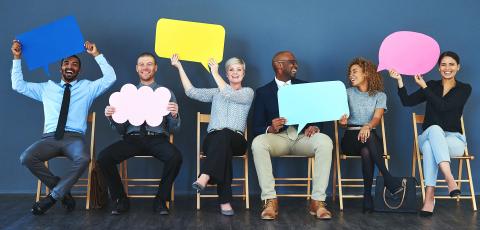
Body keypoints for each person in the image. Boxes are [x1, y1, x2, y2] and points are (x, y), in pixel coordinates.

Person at [11, 40, 116, 215]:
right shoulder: (46, 88)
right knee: (26, 157)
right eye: (66, 63)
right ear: (60, 68)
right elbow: (18, 85)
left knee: (84, 158)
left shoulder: (88, 88)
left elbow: (111, 78)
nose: (70, 66)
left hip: (74, 139)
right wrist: (17, 57)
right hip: (49, 138)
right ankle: (62, 190)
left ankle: (52, 197)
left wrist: (96, 54)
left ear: (79, 70)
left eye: (74, 64)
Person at [251, 51, 333, 220]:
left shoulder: (306, 87)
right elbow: (256, 127)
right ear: (279, 65)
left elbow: (320, 118)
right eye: (292, 62)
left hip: (304, 138)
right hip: (277, 138)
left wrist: (316, 126)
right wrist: (271, 128)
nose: (296, 65)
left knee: (325, 141)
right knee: (258, 142)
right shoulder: (263, 92)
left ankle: (317, 201)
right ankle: (270, 200)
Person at [97, 52, 182, 215]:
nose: (145, 67)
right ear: (137, 68)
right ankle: (120, 199)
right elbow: (121, 130)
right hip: (132, 139)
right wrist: (113, 117)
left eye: (149, 64)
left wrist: (175, 115)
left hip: (157, 138)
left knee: (175, 157)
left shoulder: (166, 93)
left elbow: (174, 129)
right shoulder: (127, 93)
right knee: (104, 158)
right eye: (141, 64)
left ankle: (160, 200)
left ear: (155, 68)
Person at [388, 51, 471, 217]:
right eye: (443, 64)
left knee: (428, 147)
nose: (447, 68)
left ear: (458, 67)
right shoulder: (432, 85)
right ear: (438, 67)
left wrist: (424, 87)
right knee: (434, 129)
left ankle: (429, 197)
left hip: (454, 141)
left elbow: (444, 107)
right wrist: (399, 81)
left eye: (451, 64)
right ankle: (449, 178)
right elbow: (407, 102)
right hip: (429, 134)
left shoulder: (464, 89)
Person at [171, 54, 254, 216]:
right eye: (231, 70)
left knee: (225, 136)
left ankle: (205, 175)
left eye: (239, 70)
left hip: (237, 140)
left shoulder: (247, 92)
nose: (235, 72)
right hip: (214, 141)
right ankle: (225, 201)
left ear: (243, 73)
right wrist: (179, 67)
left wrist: (214, 73)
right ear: (227, 73)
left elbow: (229, 94)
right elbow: (191, 92)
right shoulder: (216, 92)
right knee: (222, 143)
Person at [339, 57, 403, 213]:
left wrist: (367, 126)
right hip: (350, 138)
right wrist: (342, 121)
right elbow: (340, 122)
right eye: (350, 73)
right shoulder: (346, 93)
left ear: (366, 73)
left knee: (367, 150)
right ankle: (388, 178)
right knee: (369, 143)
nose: (350, 75)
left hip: (369, 137)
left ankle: (367, 196)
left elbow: (376, 118)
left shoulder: (380, 96)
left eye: (355, 71)